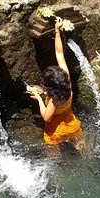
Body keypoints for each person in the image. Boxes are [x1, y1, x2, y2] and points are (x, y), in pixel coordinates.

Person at [29, 17, 85, 155]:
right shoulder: (68, 84)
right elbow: (60, 55)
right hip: (72, 126)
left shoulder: (54, 100)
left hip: (56, 131)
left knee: (53, 156)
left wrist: (39, 98)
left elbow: (46, 117)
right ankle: (85, 156)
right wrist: (57, 31)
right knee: (81, 147)